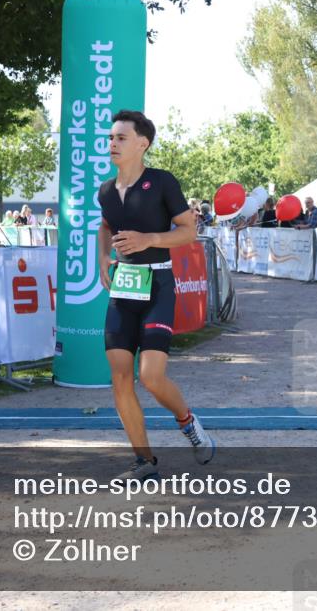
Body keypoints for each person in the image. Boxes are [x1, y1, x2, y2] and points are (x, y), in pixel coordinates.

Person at [97, 109, 216, 480]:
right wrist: (103, 255)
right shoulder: (105, 190)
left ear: (142, 144)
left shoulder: (162, 182)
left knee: (150, 376)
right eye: (112, 137)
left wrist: (149, 239)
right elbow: (105, 225)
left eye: (121, 138)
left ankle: (188, 422)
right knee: (119, 377)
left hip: (159, 285)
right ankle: (144, 461)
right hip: (124, 288)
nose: (113, 143)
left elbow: (188, 232)